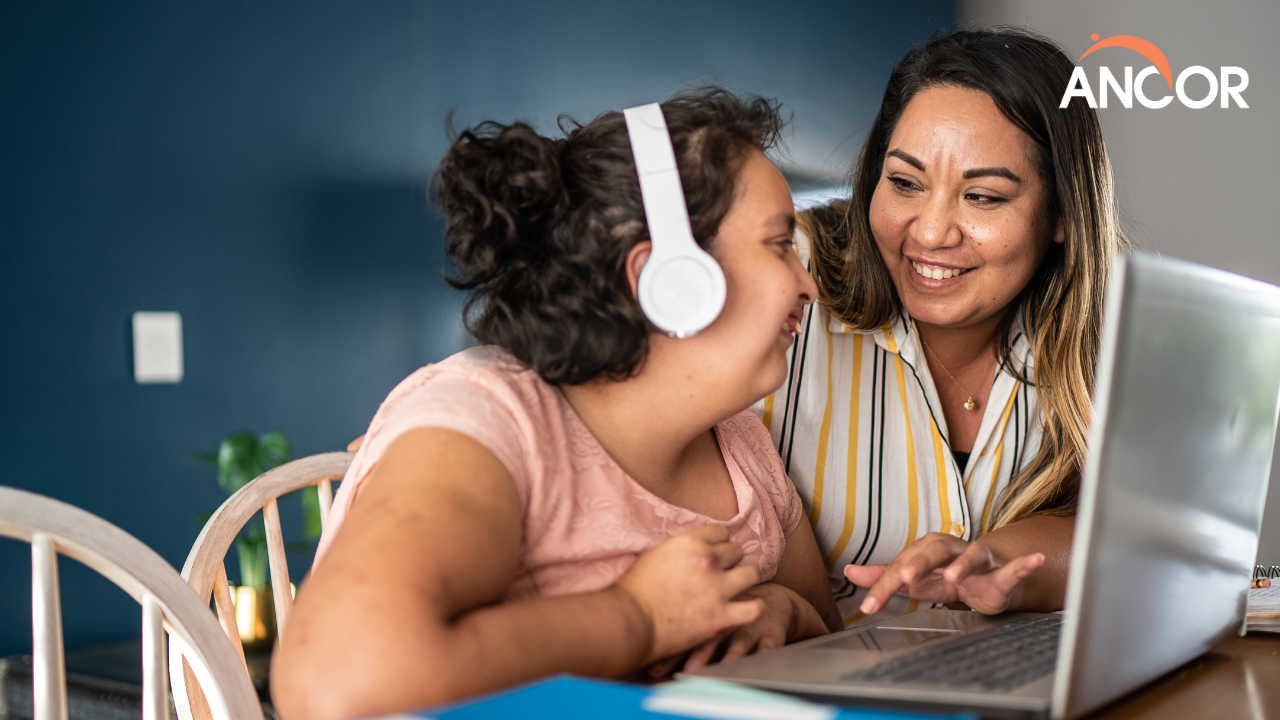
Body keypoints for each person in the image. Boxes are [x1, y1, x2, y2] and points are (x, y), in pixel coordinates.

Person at [271, 88, 841, 720]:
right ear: (668, 280)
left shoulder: (739, 445)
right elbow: (336, 682)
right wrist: (640, 618)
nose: (808, 285)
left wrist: (784, 613)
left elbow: (835, 643)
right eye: (780, 244)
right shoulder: (488, 423)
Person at [759, 27, 1128, 624]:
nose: (930, 233)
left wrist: (989, 560)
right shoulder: (786, 274)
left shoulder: (1110, 332)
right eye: (904, 183)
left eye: (982, 197)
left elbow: (1118, 537)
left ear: (1061, 213)